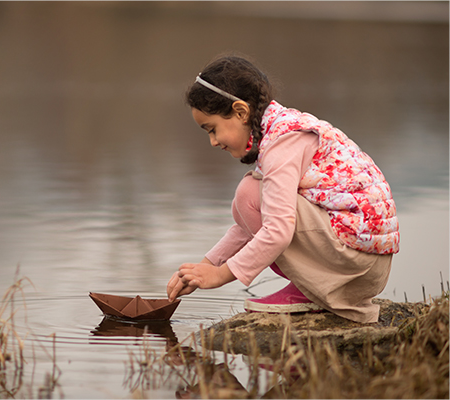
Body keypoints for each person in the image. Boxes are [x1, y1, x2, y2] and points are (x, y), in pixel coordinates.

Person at [165, 55, 399, 324]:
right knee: (249, 199)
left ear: (241, 112)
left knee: (249, 195)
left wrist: (221, 275)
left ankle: (314, 287)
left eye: (213, 129)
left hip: (356, 265)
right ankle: (310, 285)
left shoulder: (282, 144)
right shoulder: (279, 129)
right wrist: (207, 266)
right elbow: (249, 227)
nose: (213, 142)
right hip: (363, 262)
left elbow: (277, 231)